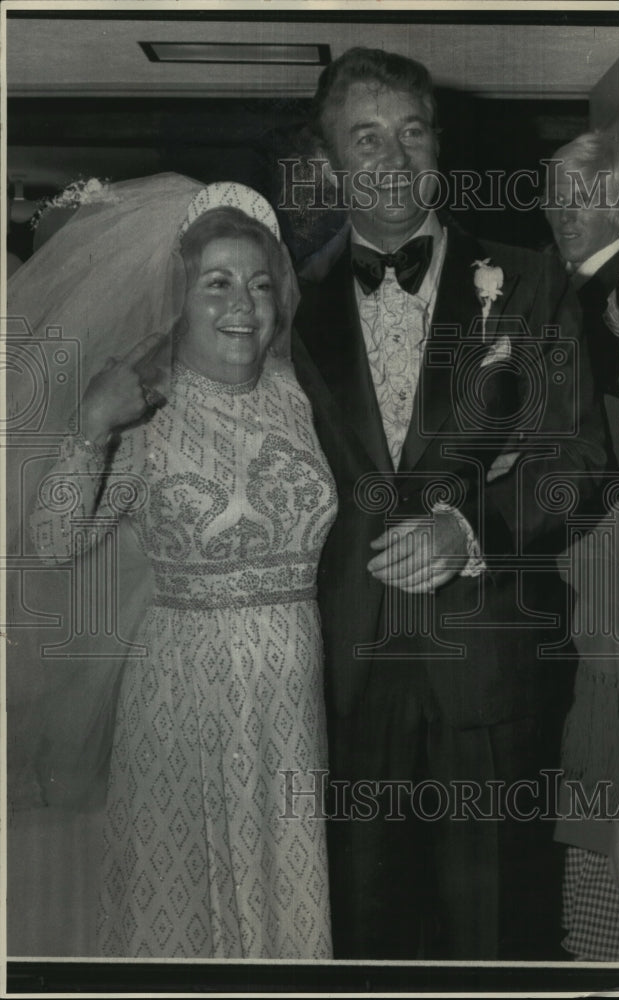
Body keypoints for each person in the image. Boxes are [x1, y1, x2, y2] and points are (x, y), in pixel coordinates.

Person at [290, 47, 609, 959]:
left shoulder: (530, 280)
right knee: (361, 932)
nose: (393, 155)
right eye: (365, 136)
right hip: (340, 678)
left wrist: (469, 527)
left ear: (439, 146)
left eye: (412, 130)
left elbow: (580, 459)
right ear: (327, 165)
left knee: (497, 930)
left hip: (495, 669)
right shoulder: (286, 310)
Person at [10, 175, 336, 958]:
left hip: (290, 696)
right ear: (179, 295)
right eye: (216, 282)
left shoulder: (299, 396)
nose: (242, 304)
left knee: (282, 902)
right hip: (181, 692)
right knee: (183, 908)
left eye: (259, 284)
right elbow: (54, 540)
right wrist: (91, 424)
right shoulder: (145, 407)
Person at [544, 131, 619, 962]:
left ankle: (600, 935)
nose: (563, 215)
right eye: (552, 198)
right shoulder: (566, 289)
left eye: (579, 197)